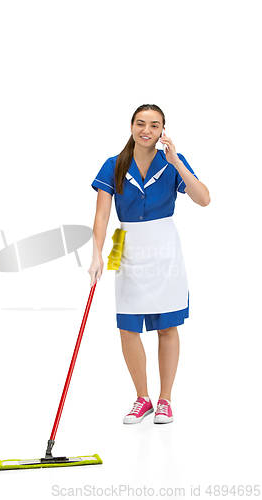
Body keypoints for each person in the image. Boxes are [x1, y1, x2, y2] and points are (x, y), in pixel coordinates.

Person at [88, 104, 210, 424]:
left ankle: (165, 400)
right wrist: (96, 254)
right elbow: (102, 215)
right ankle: (142, 398)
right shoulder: (113, 165)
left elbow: (204, 198)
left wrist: (178, 164)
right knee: (128, 328)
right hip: (124, 246)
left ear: (162, 131)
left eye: (154, 126)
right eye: (141, 123)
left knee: (167, 325)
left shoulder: (172, 164)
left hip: (164, 250)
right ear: (131, 127)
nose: (147, 130)